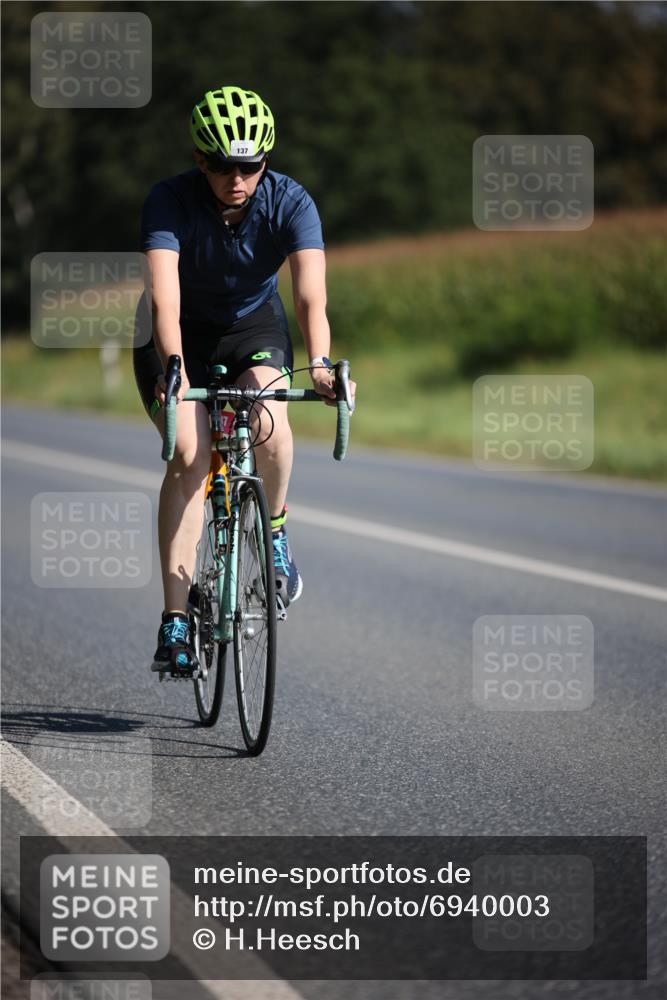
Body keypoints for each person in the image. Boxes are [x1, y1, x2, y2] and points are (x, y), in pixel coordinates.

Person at [133, 85, 354, 674]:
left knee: (270, 418)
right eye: (223, 166)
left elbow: (311, 298)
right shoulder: (169, 201)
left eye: (251, 166)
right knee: (190, 452)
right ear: (200, 161)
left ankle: (275, 532)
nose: (238, 179)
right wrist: (174, 370)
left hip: (251, 325)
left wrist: (323, 363)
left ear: (266, 162)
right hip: (174, 334)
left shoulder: (291, 202)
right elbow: (165, 301)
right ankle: (175, 620)